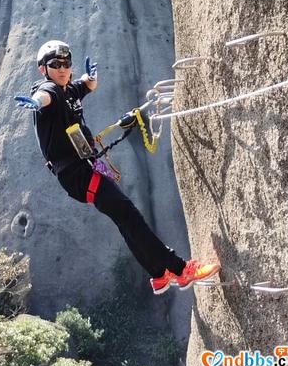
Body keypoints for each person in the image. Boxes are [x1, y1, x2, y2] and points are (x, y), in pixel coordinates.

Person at [14, 40, 220, 294]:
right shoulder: (51, 91)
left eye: (67, 64)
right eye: (55, 65)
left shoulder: (66, 90)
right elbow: (43, 97)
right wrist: (36, 103)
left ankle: (158, 275)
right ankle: (180, 270)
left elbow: (86, 86)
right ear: (42, 69)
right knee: (129, 215)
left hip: (82, 170)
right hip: (77, 173)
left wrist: (91, 78)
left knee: (125, 219)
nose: (63, 69)